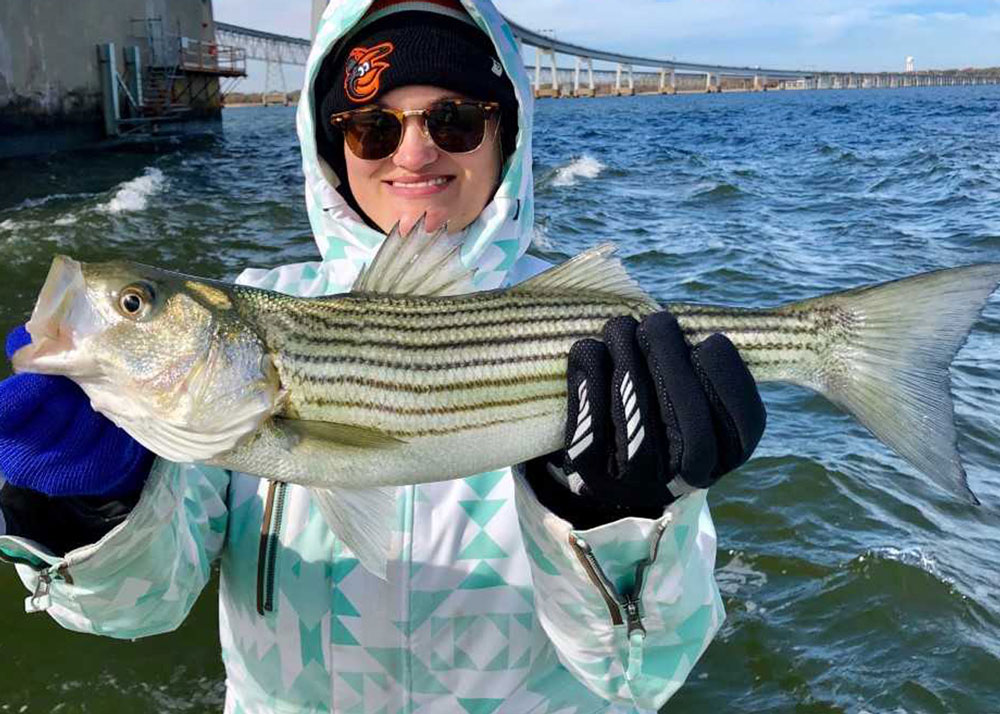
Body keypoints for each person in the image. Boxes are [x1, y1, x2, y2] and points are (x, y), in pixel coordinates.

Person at [0, 0, 766, 711]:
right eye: (373, 127)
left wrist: (619, 519)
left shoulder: (598, 344)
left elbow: (642, 675)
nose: (415, 151)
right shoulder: (252, 311)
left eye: (457, 120)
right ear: (333, 144)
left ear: (508, 136)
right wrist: (86, 508)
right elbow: (139, 611)